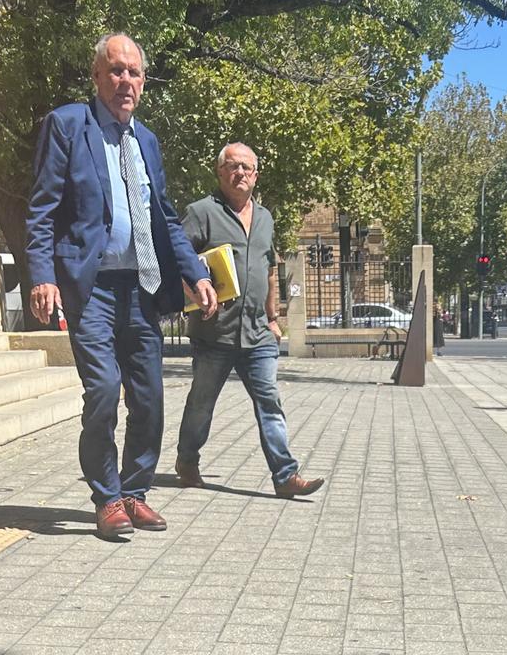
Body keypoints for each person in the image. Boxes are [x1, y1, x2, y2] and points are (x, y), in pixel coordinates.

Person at [25, 32, 219, 538]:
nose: (125, 81)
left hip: (141, 287)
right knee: (105, 390)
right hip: (90, 287)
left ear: (143, 81)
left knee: (150, 394)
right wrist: (42, 275)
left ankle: (134, 493)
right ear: (96, 77)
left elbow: (166, 219)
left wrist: (196, 273)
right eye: (115, 70)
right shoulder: (68, 125)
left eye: (134, 72)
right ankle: (106, 498)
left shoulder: (147, 141)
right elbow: (43, 209)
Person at [175, 143, 325, 499]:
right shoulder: (200, 213)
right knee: (201, 404)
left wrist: (274, 319)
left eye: (247, 167)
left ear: (256, 175)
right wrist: (195, 286)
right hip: (215, 332)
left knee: (269, 402)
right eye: (232, 166)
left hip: (257, 332)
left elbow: (269, 271)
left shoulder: (266, 218)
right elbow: (178, 259)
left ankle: (285, 475)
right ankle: (187, 459)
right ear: (220, 172)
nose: (240, 172)